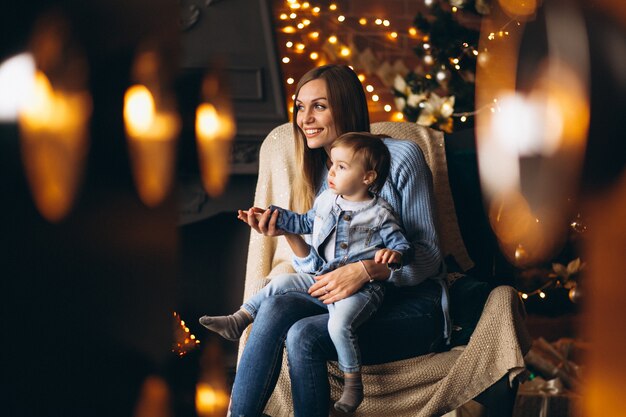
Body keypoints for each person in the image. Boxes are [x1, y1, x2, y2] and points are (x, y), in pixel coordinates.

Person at [227, 64, 448, 417]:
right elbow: (322, 270)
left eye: (319, 106)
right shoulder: (326, 178)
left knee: (303, 335)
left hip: (410, 304)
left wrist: (366, 270)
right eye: (300, 106)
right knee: (275, 304)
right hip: (348, 300)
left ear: (345, 107)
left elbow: (429, 256)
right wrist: (288, 233)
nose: (305, 118)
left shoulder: (402, 156)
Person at [200, 132, 412, 413]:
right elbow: (303, 222)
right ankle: (240, 319)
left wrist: (393, 255)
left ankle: (353, 385)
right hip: (322, 276)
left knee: (339, 325)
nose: (332, 172)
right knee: (281, 283)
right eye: (332, 165)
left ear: (368, 177)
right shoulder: (326, 200)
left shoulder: (380, 213)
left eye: (342, 167)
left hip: (362, 289)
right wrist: (272, 217)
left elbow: (401, 244)